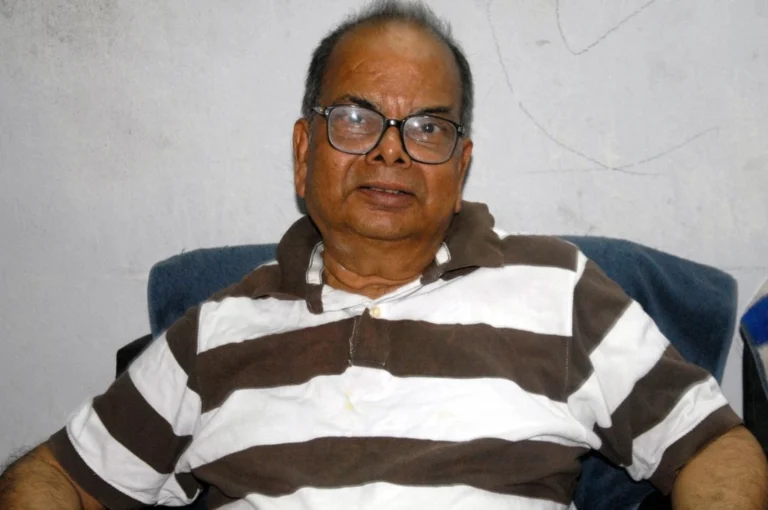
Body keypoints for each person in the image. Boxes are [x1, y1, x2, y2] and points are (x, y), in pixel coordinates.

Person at [1, 1, 766, 509]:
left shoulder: (561, 290)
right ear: (305, 151)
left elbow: (716, 447)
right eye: (357, 118)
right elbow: (56, 478)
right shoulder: (215, 331)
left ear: (461, 165)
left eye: (429, 127)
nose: (392, 152)